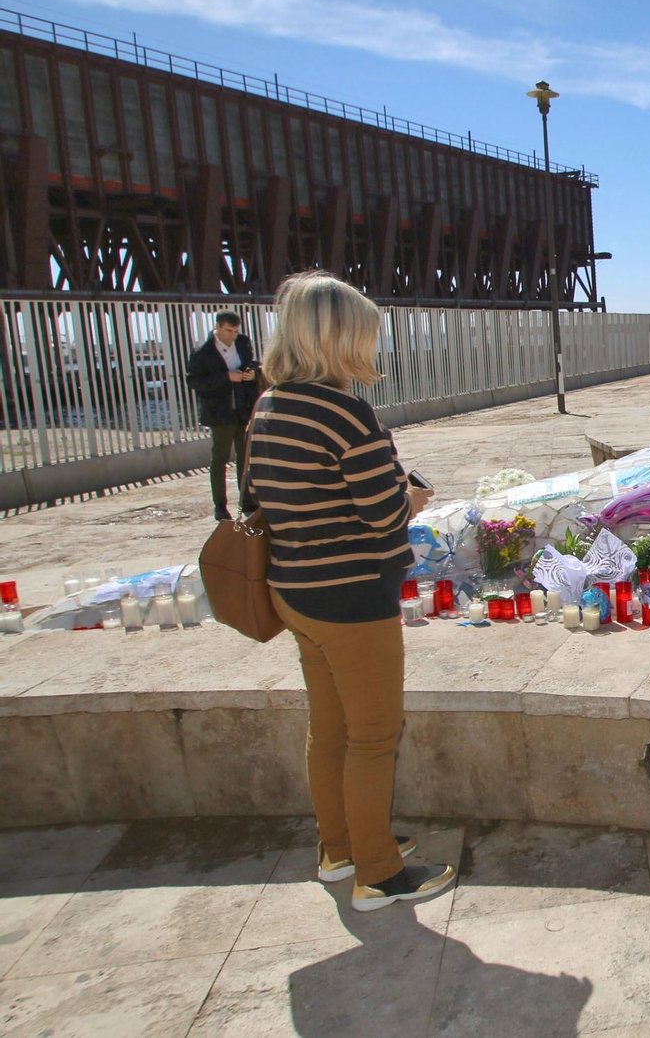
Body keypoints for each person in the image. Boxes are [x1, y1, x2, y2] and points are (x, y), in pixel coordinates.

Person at [247, 271, 455, 912]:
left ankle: (339, 849)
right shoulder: (346, 412)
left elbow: (263, 497)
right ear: (342, 338)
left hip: (296, 591)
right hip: (350, 596)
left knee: (329, 727)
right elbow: (382, 514)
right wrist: (411, 494)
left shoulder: (270, 405)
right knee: (373, 735)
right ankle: (381, 875)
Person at [185, 310, 262, 521]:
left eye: (236, 331)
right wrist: (226, 377)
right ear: (217, 327)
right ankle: (220, 505)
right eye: (229, 331)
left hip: (243, 408)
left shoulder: (243, 343)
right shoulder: (203, 353)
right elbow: (194, 382)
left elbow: (254, 365)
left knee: (244, 457)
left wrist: (252, 374)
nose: (233, 336)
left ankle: (246, 500)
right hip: (219, 412)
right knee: (220, 458)